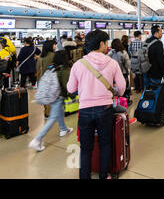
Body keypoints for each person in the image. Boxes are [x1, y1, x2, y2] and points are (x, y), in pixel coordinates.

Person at [67, 29, 126, 180]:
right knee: (105, 144)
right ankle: (104, 175)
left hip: (85, 110)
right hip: (105, 109)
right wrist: (116, 92)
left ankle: (84, 176)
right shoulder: (112, 63)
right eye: (106, 43)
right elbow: (122, 87)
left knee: (86, 148)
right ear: (101, 44)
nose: (107, 46)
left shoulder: (79, 64)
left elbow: (70, 89)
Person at [28, 50, 74, 152]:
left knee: (59, 112)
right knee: (53, 118)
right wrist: (73, 95)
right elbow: (68, 87)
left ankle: (63, 129)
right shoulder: (64, 69)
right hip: (58, 96)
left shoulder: (51, 67)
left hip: (51, 95)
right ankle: (37, 139)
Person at [37, 40, 57, 118]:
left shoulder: (40, 57)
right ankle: (50, 113)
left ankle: (47, 112)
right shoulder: (53, 56)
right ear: (50, 46)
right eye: (54, 44)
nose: (55, 46)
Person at [108, 39, 131, 105]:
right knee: (125, 87)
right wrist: (129, 71)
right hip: (123, 73)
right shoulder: (123, 52)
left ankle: (117, 101)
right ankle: (126, 101)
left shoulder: (110, 53)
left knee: (115, 88)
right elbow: (127, 64)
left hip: (113, 74)